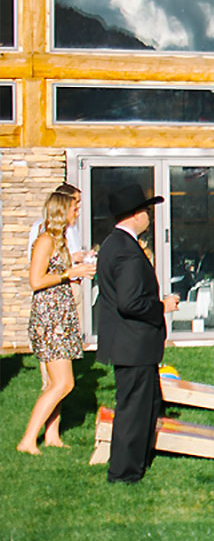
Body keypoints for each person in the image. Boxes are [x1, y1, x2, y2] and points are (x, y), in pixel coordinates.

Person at [95, 184, 179, 484]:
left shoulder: (112, 244)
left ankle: (135, 462)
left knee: (144, 405)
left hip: (128, 342)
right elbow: (129, 302)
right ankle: (124, 472)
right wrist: (163, 306)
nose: (148, 216)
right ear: (134, 215)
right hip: (133, 343)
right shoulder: (127, 252)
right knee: (133, 410)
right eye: (145, 210)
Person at [16, 190, 96, 454]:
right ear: (62, 211)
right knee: (64, 383)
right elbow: (36, 280)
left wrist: (78, 267)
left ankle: (52, 436)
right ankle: (28, 440)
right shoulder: (45, 240)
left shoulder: (58, 240)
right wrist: (69, 273)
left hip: (60, 315)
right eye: (74, 208)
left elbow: (59, 270)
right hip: (50, 318)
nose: (77, 212)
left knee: (55, 383)